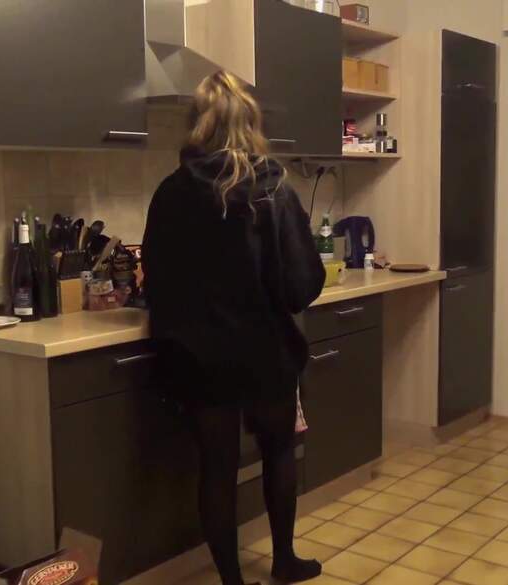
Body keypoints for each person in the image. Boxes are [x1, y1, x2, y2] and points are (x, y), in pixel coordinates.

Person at [141, 71, 326, 585]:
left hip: (200, 358)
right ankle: (284, 561)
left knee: (216, 469)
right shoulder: (274, 189)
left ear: (197, 124)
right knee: (278, 451)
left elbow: (156, 279)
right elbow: (302, 285)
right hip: (266, 352)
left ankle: (232, 582)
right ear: (251, 123)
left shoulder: (171, 192)